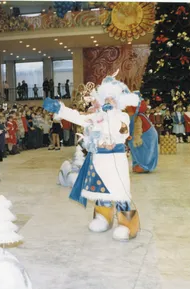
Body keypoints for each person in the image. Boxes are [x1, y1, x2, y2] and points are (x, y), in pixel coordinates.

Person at [43, 73, 141, 241]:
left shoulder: (122, 116)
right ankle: (103, 217)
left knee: (119, 192)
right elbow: (78, 117)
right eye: (106, 98)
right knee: (101, 191)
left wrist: (110, 115)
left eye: (112, 98)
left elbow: (121, 130)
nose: (109, 101)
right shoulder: (95, 117)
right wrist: (60, 109)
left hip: (116, 159)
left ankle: (127, 224)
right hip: (99, 160)